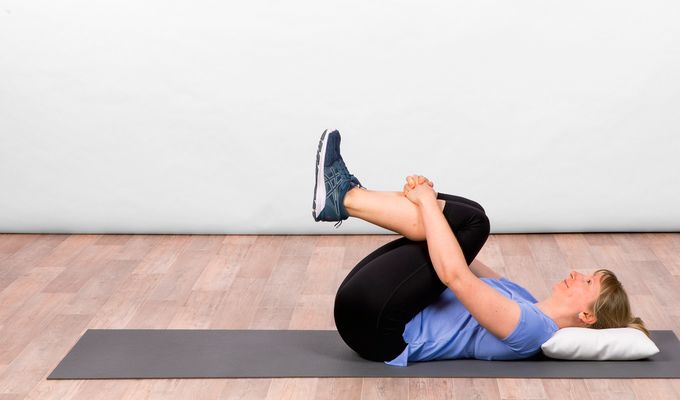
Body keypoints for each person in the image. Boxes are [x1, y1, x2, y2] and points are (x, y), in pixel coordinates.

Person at [312, 129, 649, 366]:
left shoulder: (532, 330)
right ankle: (348, 198)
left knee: (473, 223)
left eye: (587, 282)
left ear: (587, 316)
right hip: (374, 312)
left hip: (378, 329)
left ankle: (347, 198)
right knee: (468, 218)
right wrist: (428, 201)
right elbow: (463, 256)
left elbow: (456, 275)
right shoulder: (525, 299)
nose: (576, 274)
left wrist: (427, 202)